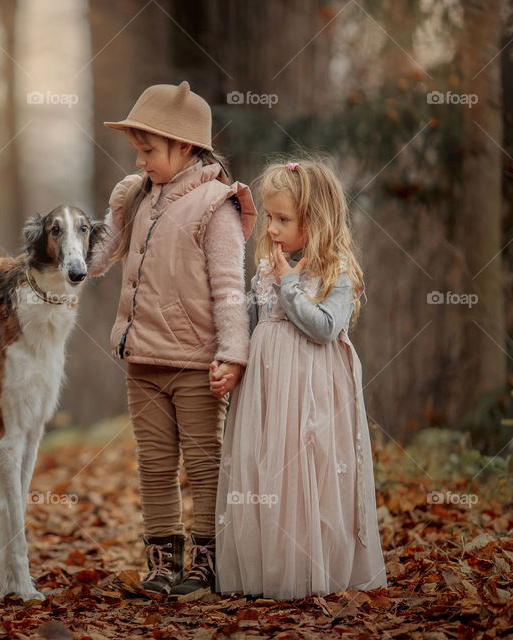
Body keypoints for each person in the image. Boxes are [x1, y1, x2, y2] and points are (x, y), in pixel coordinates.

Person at [89, 82, 257, 596]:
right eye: (137, 151)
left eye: (149, 151)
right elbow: (98, 258)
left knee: (204, 464)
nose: (141, 162)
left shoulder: (216, 206)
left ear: (185, 147)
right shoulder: (135, 196)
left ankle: (205, 564)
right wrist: (56, 261)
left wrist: (232, 354)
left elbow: (230, 290)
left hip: (197, 364)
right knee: (156, 466)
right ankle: (163, 564)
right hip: (142, 360)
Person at [214, 158, 387, 600]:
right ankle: (269, 566)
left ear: (317, 221)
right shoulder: (267, 271)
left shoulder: (337, 272)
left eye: (283, 219)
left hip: (314, 393)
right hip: (268, 393)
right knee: (268, 469)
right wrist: (233, 364)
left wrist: (291, 286)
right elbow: (251, 325)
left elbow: (325, 327)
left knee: (311, 472)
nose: (271, 228)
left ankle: (313, 567)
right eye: (269, 217)